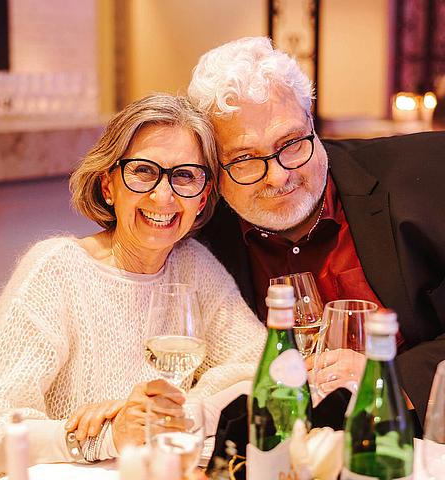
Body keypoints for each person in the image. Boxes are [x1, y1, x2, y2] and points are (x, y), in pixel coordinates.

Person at [0, 93, 265, 475]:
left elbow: (262, 371)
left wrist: (181, 413)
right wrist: (103, 436)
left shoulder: (193, 266)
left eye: (185, 175)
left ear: (203, 197)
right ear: (109, 185)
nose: (163, 195)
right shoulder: (56, 271)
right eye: (143, 171)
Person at [188, 36, 445, 428]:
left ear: (312, 122)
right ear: (213, 168)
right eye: (245, 158)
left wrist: (392, 381)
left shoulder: (425, 179)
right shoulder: (197, 235)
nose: (278, 176)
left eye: (291, 143)